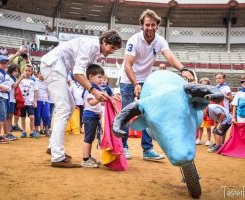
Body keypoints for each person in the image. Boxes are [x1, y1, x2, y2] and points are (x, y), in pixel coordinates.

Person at [40, 30, 122, 168]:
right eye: (112, 47)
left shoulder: (94, 51)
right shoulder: (89, 46)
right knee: (64, 108)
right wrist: (94, 91)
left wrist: (104, 93)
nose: (112, 51)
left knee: (70, 107)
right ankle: (57, 156)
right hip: (53, 67)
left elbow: (87, 76)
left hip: (58, 68)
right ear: (105, 41)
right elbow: (78, 74)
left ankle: (53, 147)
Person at [119, 9, 194, 160]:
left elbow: (170, 56)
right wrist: (135, 84)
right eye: (147, 25)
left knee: (150, 114)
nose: (150, 28)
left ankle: (147, 150)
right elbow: (127, 65)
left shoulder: (159, 40)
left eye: (153, 25)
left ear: (157, 26)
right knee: (126, 114)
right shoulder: (134, 40)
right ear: (142, 25)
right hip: (128, 80)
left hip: (147, 81)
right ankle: (123, 147)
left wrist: (183, 69)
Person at [81, 64, 104, 168]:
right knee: (88, 138)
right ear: (90, 77)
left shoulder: (96, 88)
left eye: (102, 77)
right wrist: (100, 98)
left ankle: (89, 157)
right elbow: (92, 103)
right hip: (89, 116)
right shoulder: (89, 89)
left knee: (91, 138)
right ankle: (85, 159)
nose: (101, 79)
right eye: (99, 77)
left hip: (93, 117)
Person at [19, 65, 40, 139]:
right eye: (26, 70)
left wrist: (35, 101)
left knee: (32, 117)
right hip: (22, 102)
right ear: (23, 71)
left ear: (31, 72)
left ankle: (32, 131)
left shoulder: (34, 81)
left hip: (30, 102)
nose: (27, 72)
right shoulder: (21, 80)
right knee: (23, 117)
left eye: (29, 71)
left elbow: (36, 92)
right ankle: (23, 131)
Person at [196, 77, 214, 146]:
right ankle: (199, 139)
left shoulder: (210, 92)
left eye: (206, 84)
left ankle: (208, 140)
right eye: (202, 84)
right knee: (200, 126)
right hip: (200, 111)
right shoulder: (198, 92)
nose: (204, 85)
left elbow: (210, 101)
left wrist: (207, 109)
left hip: (208, 111)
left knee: (208, 127)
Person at [34, 70, 51, 136]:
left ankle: (46, 130)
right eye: (40, 73)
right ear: (38, 74)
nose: (42, 75)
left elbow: (49, 92)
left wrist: (46, 98)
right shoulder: (35, 81)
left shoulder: (47, 82)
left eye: (43, 73)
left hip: (45, 101)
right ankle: (36, 130)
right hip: (38, 101)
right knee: (37, 116)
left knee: (46, 116)